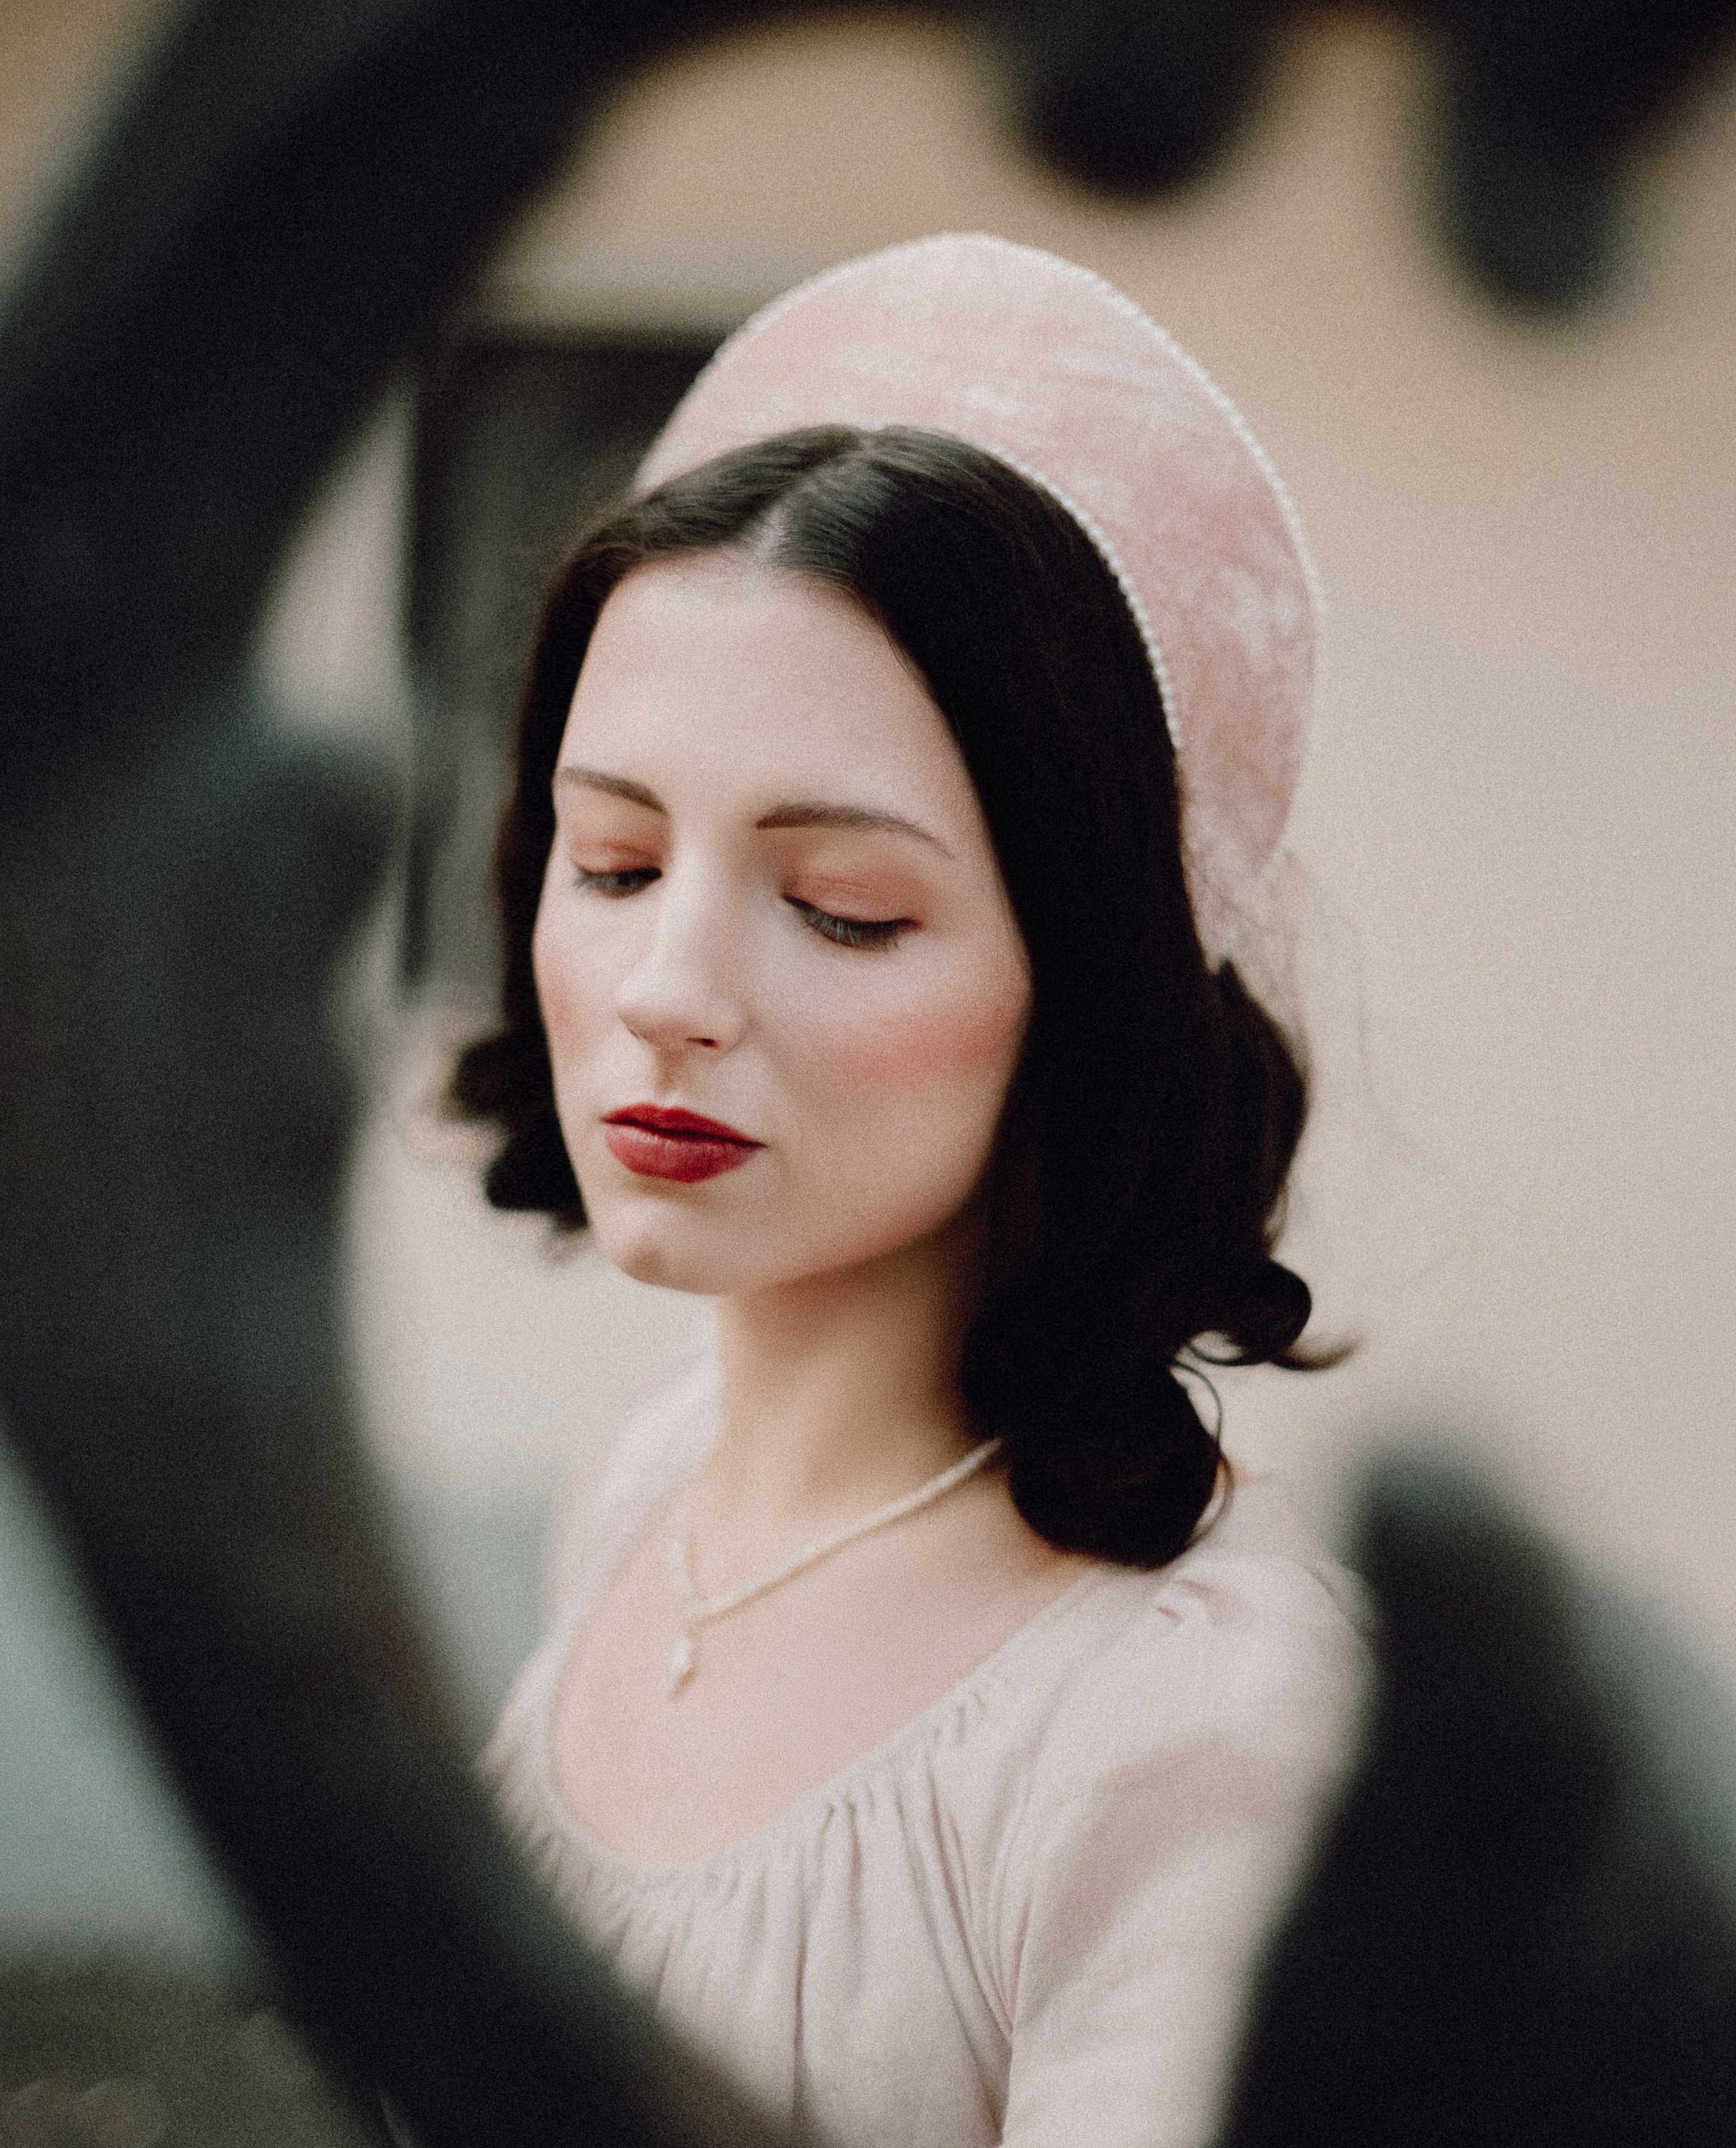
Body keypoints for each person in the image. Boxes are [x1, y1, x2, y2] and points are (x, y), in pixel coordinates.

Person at [459, 236, 1369, 2147]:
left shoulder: (1194, 1730)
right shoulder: (648, 1489)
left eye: (842, 907)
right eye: (613, 862)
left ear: (1085, 976)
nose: (667, 991)